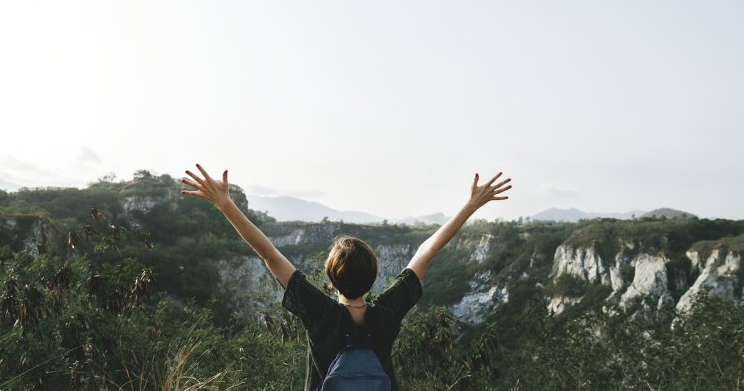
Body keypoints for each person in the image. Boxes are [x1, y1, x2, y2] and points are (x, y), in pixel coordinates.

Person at [181, 164, 511, 390]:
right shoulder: (387, 314)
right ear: (374, 276)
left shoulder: (321, 315)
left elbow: (269, 253)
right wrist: (469, 207)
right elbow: (426, 252)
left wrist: (224, 204)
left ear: (331, 277)